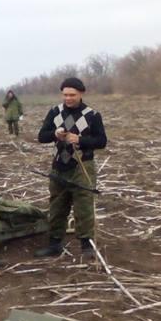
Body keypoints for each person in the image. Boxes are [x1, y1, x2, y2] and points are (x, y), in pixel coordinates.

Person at [34, 77, 107, 260]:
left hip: (82, 166)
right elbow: (42, 136)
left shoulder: (92, 115)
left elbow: (101, 141)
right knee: (57, 206)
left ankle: (87, 245)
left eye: (72, 95)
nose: (68, 98)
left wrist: (80, 140)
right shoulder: (55, 112)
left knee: (84, 206)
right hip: (59, 166)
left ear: (81, 93)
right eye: (65, 94)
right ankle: (54, 244)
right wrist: (55, 134)